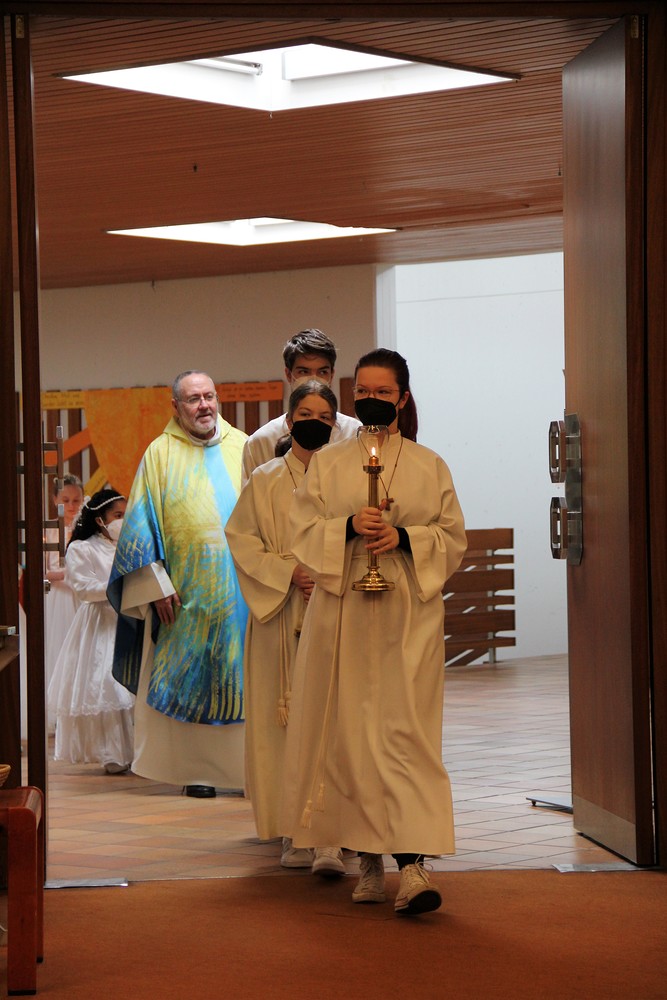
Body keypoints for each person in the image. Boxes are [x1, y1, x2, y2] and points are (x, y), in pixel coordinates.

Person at [281, 348, 467, 916]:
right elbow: (301, 527)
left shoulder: (430, 465)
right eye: (362, 391)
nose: (371, 400)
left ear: (403, 398)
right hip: (343, 615)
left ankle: (412, 866)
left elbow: (452, 536)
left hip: (407, 617)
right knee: (350, 736)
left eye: (383, 392)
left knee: (406, 737)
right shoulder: (329, 462)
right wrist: (346, 527)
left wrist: (404, 538)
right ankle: (367, 859)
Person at [108, 370, 248, 799]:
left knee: (250, 677)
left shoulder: (245, 447)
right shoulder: (160, 454)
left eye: (209, 396)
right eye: (193, 399)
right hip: (185, 597)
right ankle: (197, 771)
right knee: (192, 677)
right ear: (176, 406)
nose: (204, 405)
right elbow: (139, 528)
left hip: (246, 594)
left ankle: (251, 771)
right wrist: (156, 585)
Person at [225, 380, 345, 876]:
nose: (315, 423)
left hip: (334, 609)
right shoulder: (265, 479)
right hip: (279, 616)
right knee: (282, 726)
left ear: (335, 424)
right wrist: (288, 573)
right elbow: (241, 539)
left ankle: (332, 836)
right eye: (306, 415)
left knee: (332, 722)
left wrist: (328, 573)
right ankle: (293, 832)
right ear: (290, 421)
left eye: (324, 416)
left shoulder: (346, 477)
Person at [48, 489, 135, 773]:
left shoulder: (127, 545)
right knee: (108, 684)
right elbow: (84, 588)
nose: (122, 520)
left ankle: (138, 751)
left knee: (131, 685)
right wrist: (120, 586)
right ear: (100, 519)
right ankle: (113, 752)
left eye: (125, 515)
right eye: (117, 515)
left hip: (129, 618)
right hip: (101, 621)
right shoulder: (81, 548)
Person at [241, 328, 360, 482]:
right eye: (304, 372)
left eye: (322, 372)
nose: (313, 380)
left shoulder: (353, 433)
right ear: (288, 374)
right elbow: (251, 495)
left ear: (331, 375)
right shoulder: (262, 441)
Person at [44, 474, 85, 724]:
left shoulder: (86, 531)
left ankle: (79, 708)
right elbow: (43, 571)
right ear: (55, 500)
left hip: (81, 596)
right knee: (59, 648)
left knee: (81, 651)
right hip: (59, 597)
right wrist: (68, 574)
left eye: (76, 500)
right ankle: (57, 711)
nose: (71, 506)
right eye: (65, 500)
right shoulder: (49, 532)